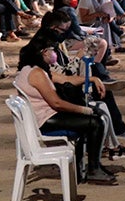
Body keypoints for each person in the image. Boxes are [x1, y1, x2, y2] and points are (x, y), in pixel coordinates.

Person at [15, 35, 118, 184]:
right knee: (96, 122)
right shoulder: (36, 73)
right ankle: (94, 169)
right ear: (44, 52)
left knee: (92, 118)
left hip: (42, 116)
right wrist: (83, 110)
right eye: (52, 50)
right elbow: (56, 103)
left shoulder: (34, 69)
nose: (54, 54)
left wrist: (93, 79)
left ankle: (84, 167)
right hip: (45, 120)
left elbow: (66, 79)